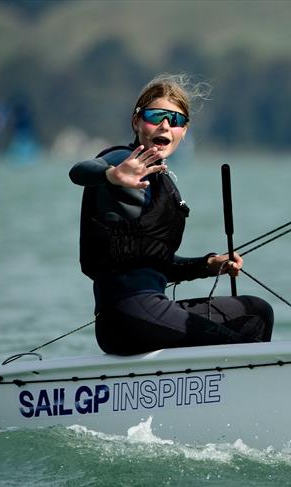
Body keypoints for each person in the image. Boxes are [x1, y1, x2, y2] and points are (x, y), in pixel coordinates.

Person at [70, 74, 273, 355]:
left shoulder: (161, 180)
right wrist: (111, 175)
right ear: (136, 122)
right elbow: (79, 170)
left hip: (152, 310)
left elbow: (155, 262)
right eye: (155, 116)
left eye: (175, 120)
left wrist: (208, 264)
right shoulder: (122, 160)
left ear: (184, 132)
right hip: (126, 318)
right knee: (238, 348)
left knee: (256, 312)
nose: (165, 125)